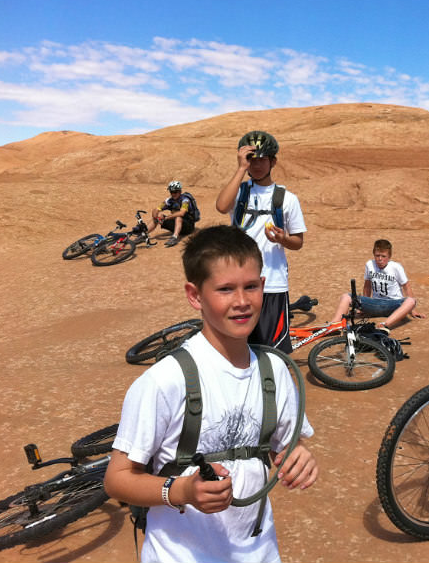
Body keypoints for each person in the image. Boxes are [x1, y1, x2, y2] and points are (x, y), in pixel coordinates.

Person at [104, 225, 318, 563]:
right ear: (195, 295)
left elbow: (287, 446)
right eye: (225, 289)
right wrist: (182, 491)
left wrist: (299, 457)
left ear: (264, 286)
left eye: (251, 287)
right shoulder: (164, 381)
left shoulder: (274, 371)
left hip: (259, 552)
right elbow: (117, 479)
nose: (242, 302)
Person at [216, 131, 306, 352]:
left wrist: (283, 238)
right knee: (237, 348)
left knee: (272, 351)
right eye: (252, 160)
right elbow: (221, 206)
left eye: (262, 159)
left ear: (273, 161)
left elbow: (298, 241)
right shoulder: (239, 192)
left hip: (272, 283)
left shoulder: (287, 198)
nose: (256, 165)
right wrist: (240, 169)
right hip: (239, 282)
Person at [329, 239, 426, 332]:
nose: (380, 259)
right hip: (374, 304)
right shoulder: (369, 265)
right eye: (377, 255)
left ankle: (384, 324)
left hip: (394, 305)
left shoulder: (396, 267)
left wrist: (412, 310)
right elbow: (367, 286)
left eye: (383, 256)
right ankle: (336, 325)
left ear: (389, 256)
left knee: (411, 301)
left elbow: (406, 286)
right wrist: (362, 306)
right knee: (346, 297)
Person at [147, 180, 198, 247]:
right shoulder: (169, 201)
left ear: (180, 191)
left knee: (178, 217)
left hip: (188, 227)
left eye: (175, 192)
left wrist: (167, 217)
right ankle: (144, 234)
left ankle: (174, 237)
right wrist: (155, 217)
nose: (173, 194)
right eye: (171, 192)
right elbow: (156, 209)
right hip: (176, 225)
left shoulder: (185, 200)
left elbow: (182, 213)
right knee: (159, 215)